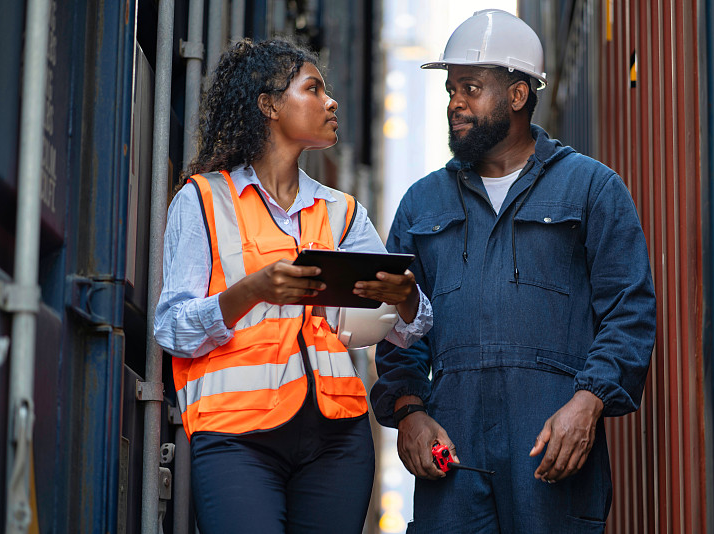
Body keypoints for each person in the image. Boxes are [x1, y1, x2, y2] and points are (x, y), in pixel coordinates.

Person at [370, 10, 656, 533]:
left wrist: (588, 403)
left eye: (472, 87)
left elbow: (629, 313)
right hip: (452, 452)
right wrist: (409, 413)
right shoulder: (422, 203)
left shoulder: (592, 189)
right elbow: (395, 327)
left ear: (518, 95)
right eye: (452, 88)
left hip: (549, 447)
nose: (455, 102)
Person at [154, 38, 432, 534]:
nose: (331, 102)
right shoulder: (203, 200)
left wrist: (405, 298)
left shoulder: (342, 212)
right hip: (236, 437)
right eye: (313, 88)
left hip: (338, 438)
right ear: (269, 105)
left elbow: (407, 331)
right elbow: (172, 330)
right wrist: (252, 291)